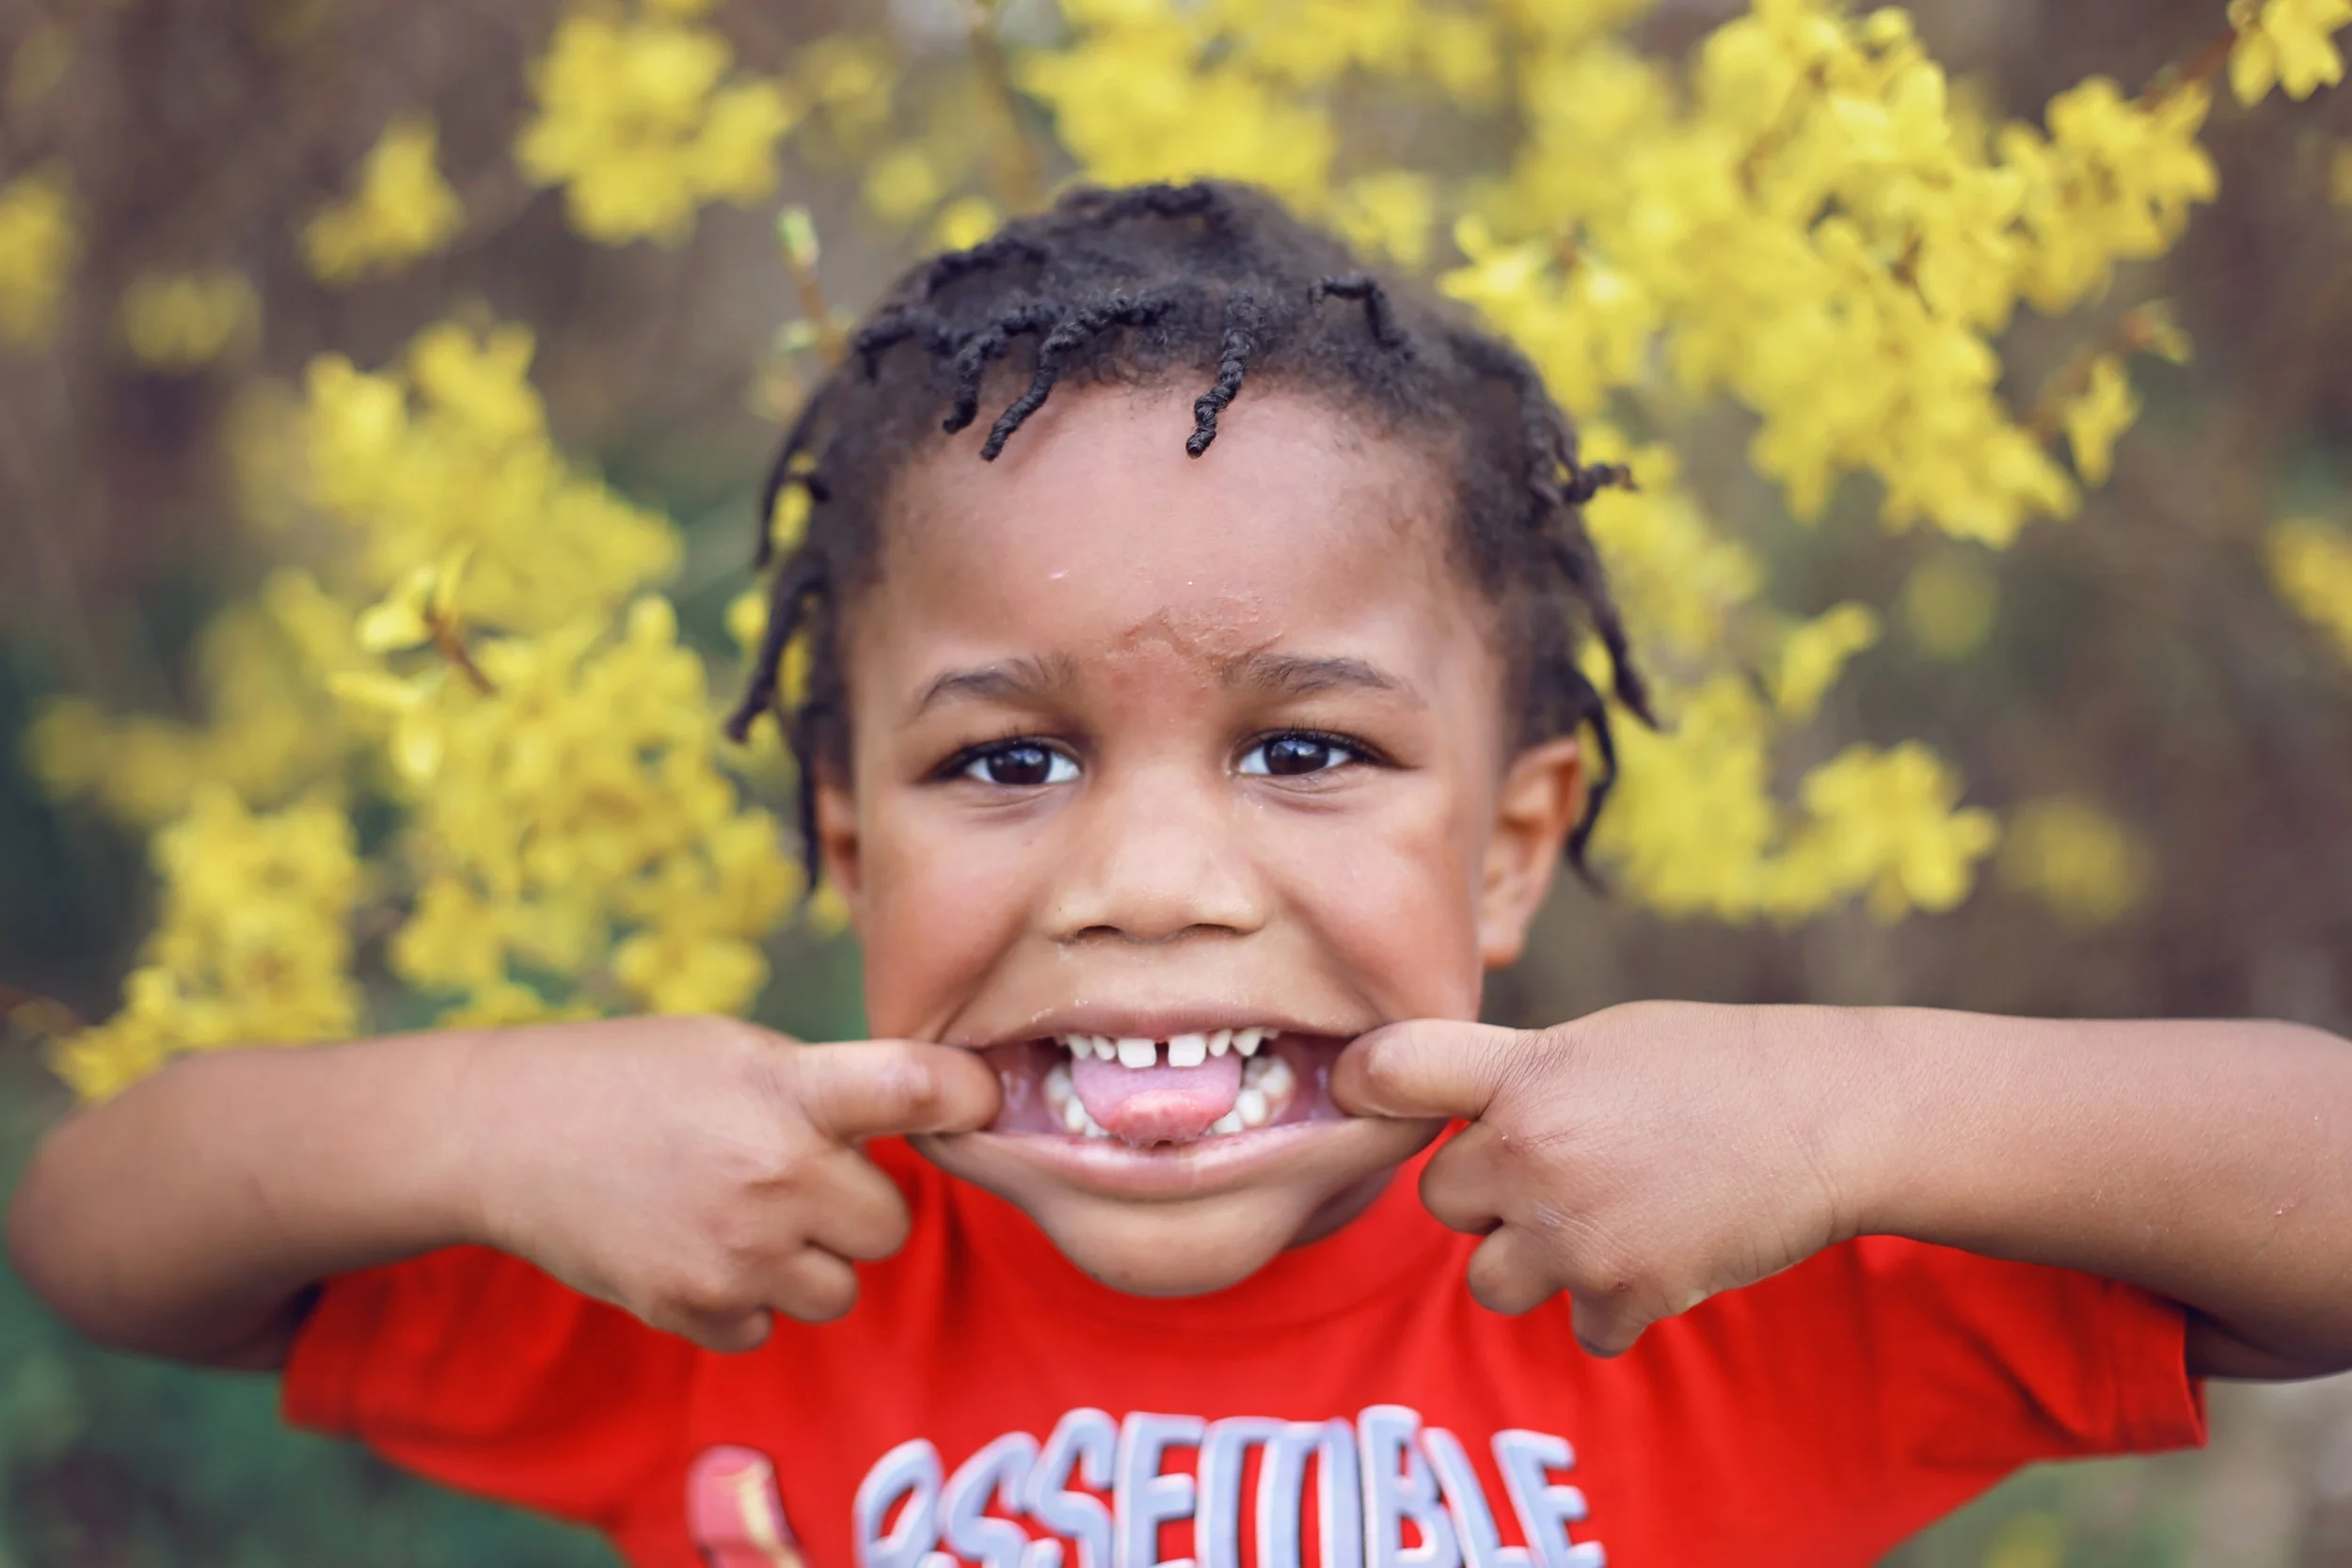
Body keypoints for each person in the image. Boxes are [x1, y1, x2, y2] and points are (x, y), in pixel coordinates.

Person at [11, 181, 2352, 1568]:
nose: (1144, 876)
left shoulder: (1696, 1259)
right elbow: (98, 1230)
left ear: (1509, 841)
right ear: (849, 843)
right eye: (1005, 756)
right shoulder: (748, 1255)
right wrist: (491, 1116)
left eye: (1305, 749)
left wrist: (1844, 1108)